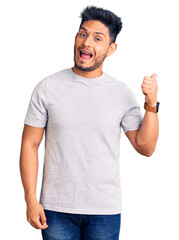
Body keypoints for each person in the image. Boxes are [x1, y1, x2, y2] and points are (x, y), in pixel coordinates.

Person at [19, 5, 159, 240]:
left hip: (104, 210)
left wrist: (152, 105)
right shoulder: (47, 88)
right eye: (83, 34)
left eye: (97, 38)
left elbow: (145, 147)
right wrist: (31, 200)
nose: (87, 43)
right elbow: (29, 145)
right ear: (75, 37)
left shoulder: (121, 92)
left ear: (111, 48)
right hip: (56, 209)